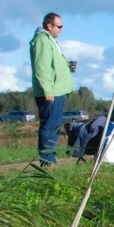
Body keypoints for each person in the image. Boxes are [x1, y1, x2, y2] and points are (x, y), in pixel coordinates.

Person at [30, 12, 75, 165]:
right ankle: (47, 162)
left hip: (57, 91)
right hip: (51, 93)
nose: (61, 29)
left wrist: (66, 66)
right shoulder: (43, 41)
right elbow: (41, 67)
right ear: (49, 25)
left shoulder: (50, 41)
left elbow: (51, 65)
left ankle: (49, 160)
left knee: (54, 127)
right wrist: (47, 90)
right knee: (49, 127)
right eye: (59, 26)